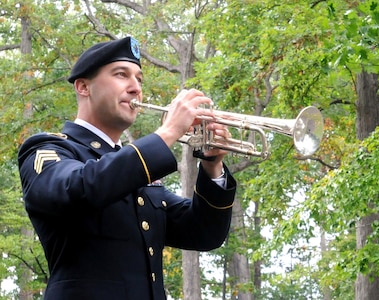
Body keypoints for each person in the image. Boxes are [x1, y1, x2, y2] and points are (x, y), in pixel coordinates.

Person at [17, 36, 236, 300]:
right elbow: (81, 188)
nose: (136, 88)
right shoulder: (47, 149)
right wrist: (166, 133)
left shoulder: (136, 170)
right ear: (84, 87)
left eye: (139, 79)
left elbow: (204, 234)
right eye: (121, 75)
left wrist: (213, 165)